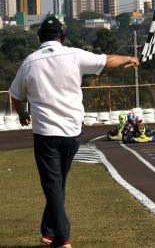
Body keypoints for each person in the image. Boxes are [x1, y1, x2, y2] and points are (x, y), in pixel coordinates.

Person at [8, 16, 140, 248]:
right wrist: (129, 58)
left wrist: (21, 113)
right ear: (62, 36)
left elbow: (16, 95)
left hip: (46, 133)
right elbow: (107, 61)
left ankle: (63, 238)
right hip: (72, 132)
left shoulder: (29, 62)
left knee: (53, 185)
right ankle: (49, 231)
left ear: (40, 37)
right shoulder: (74, 55)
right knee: (58, 183)